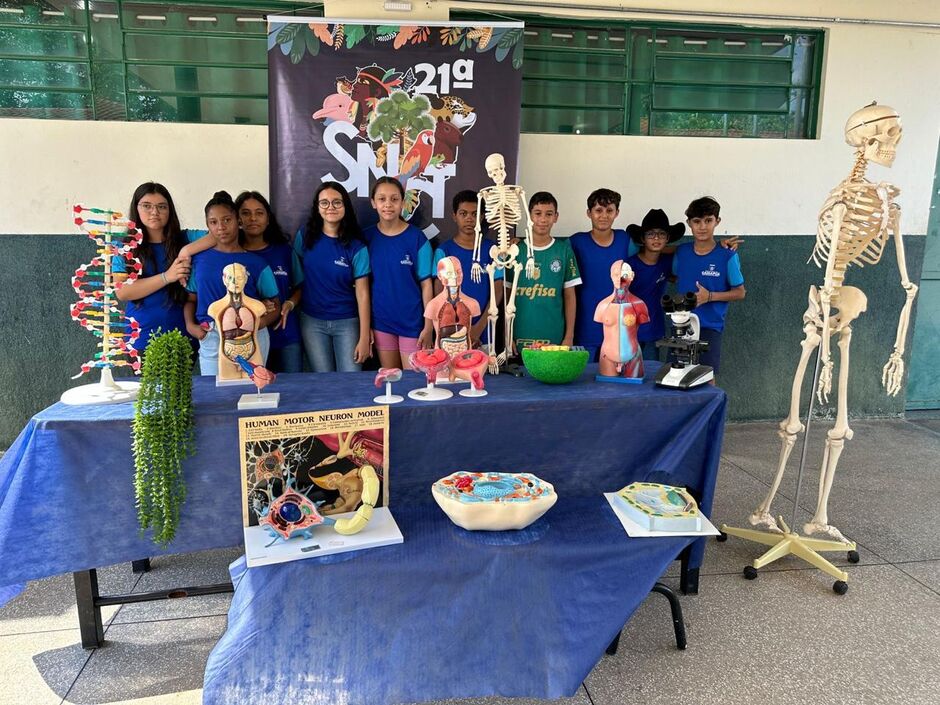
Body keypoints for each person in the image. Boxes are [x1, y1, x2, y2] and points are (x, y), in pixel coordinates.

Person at [184, 191, 280, 376]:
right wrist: (191, 326)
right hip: (211, 335)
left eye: (227, 220)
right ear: (208, 226)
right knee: (217, 395)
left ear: (238, 221)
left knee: (253, 390)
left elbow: (275, 304)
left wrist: (258, 324)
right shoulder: (199, 261)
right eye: (214, 222)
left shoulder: (257, 263)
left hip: (251, 336)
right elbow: (190, 299)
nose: (221, 227)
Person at [113, 182, 214, 354]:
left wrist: (186, 250)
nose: (155, 212)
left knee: (181, 382)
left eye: (162, 206)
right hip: (141, 337)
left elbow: (219, 235)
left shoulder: (187, 238)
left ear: (170, 210)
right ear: (136, 208)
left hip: (182, 336)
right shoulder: (124, 247)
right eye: (147, 206)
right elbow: (123, 291)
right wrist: (167, 276)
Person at [286, 182, 372, 372]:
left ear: (345, 207)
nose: (330, 207)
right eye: (324, 203)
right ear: (317, 207)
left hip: (347, 322)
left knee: (351, 380)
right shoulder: (305, 236)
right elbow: (297, 277)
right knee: (323, 381)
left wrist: (364, 337)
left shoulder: (357, 246)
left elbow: (363, 294)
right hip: (312, 321)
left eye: (336, 203)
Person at [362, 177, 434, 369]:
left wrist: (428, 326)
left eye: (394, 199)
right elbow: (362, 287)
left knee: (414, 384)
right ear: (373, 203)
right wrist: (365, 327)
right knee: (391, 381)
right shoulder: (366, 239)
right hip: (382, 323)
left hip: (413, 323)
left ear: (402, 202)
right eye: (382, 199)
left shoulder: (418, 239)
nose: (388, 205)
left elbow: (427, 285)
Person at [672, 196, 746, 375]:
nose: (702, 227)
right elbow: (675, 276)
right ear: (689, 223)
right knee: (676, 375)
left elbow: (740, 292)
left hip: (710, 327)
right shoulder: (681, 252)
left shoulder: (727, 255)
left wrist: (710, 296)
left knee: (706, 378)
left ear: (717, 221)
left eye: (708, 221)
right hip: (681, 326)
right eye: (697, 221)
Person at [235, 191, 303, 373]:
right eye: (246, 213)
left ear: (268, 219)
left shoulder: (284, 252)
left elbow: (299, 286)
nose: (253, 218)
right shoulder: (232, 255)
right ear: (237, 219)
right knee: (255, 392)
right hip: (248, 339)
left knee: (293, 391)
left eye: (259, 213)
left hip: (286, 335)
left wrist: (290, 303)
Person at [569, 188, 638, 361]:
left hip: (618, 325)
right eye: (598, 210)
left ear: (617, 213)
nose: (604, 215)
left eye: (609, 211)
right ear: (589, 213)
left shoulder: (625, 240)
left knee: (614, 380)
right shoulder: (576, 242)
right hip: (585, 323)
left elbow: (652, 252)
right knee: (584, 380)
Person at [509, 192, 581, 351]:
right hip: (518, 338)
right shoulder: (515, 251)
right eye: (537, 214)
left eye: (549, 214)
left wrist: (569, 336)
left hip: (554, 338)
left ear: (556, 217)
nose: (543, 219)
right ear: (529, 216)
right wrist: (507, 336)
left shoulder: (564, 251)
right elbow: (506, 297)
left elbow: (570, 296)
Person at [432, 190, 504, 349]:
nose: (469, 219)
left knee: (481, 373)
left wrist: (478, 329)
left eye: (474, 214)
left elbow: (498, 291)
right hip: (452, 332)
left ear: (482, 217)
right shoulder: (444, 251)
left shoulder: (492, 250)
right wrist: (455, 327)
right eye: (463, 213)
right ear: (454, 216)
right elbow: (439, 294)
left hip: (485, 332)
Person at [625, 209, 685, 361]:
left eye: (661, 234)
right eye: (651, 234)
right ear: (643, 238)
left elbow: (689, 250)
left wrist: (720, 245)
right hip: (629, 329)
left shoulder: (667, 262)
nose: (656, 238)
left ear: (667, 238)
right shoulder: (629, 265)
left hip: (654, 330)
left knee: (651, 373)